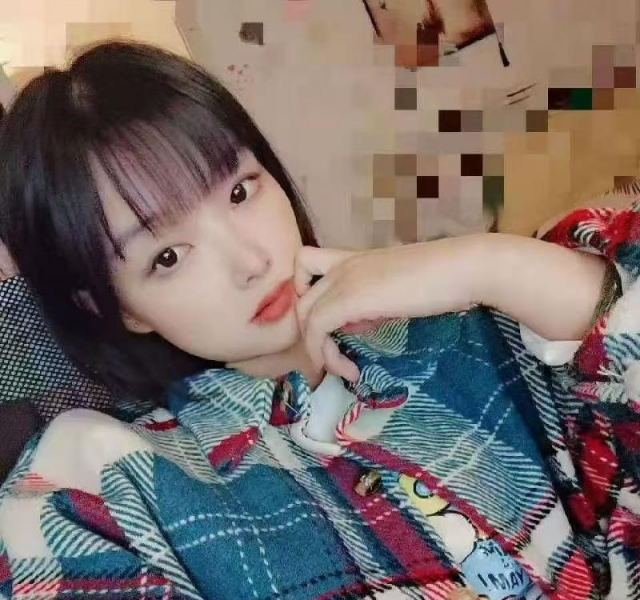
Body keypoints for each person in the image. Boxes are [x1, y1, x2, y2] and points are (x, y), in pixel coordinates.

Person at [0, 40, 636, 600]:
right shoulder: (105, 486)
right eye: (167, 256)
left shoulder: (478, 330)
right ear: (117, 308)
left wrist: (491, 264)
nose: (252, 261)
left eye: (240, 191)